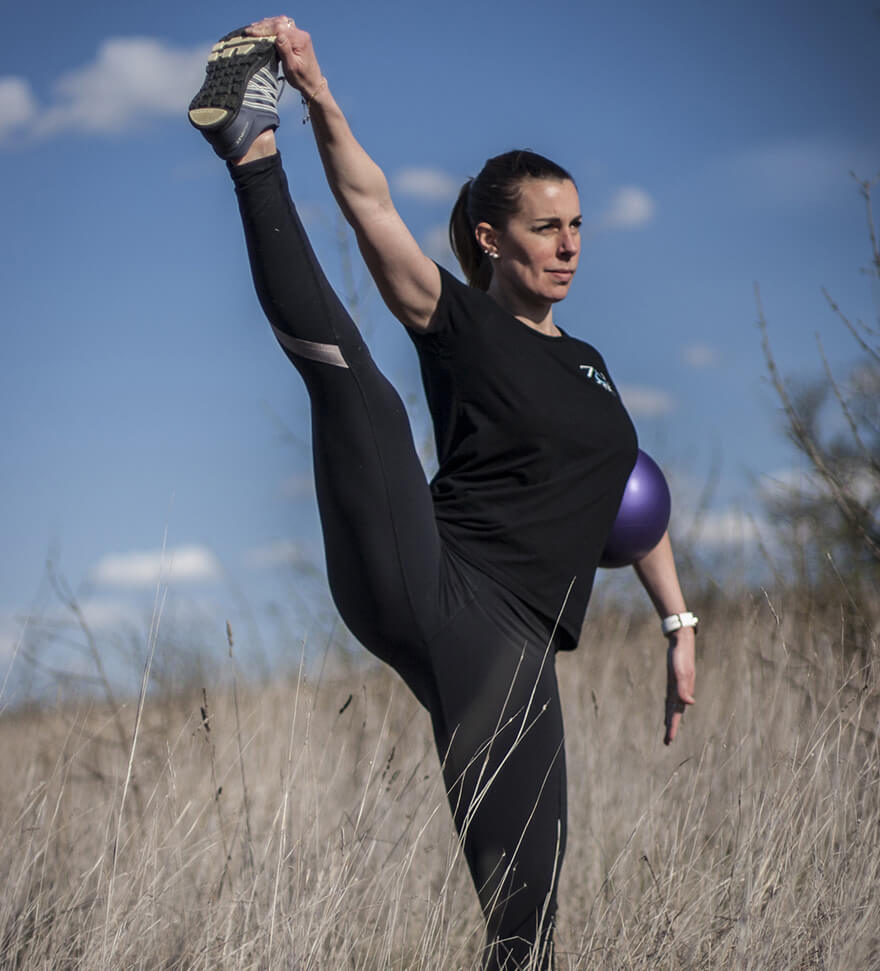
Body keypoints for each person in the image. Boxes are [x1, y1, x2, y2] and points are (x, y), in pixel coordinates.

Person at [188, 17, 697, 969]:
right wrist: (318, 95)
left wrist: (679, 624)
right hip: (432, 574)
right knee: (360, 393)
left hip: (517, 650)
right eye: (546, 227)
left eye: (577, 223)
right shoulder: (454, 317)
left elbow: (633, 499)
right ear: (488, 237)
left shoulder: (590, 367)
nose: (569, 244)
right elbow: (372, 206)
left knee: (527, 931)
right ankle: (250, 151)